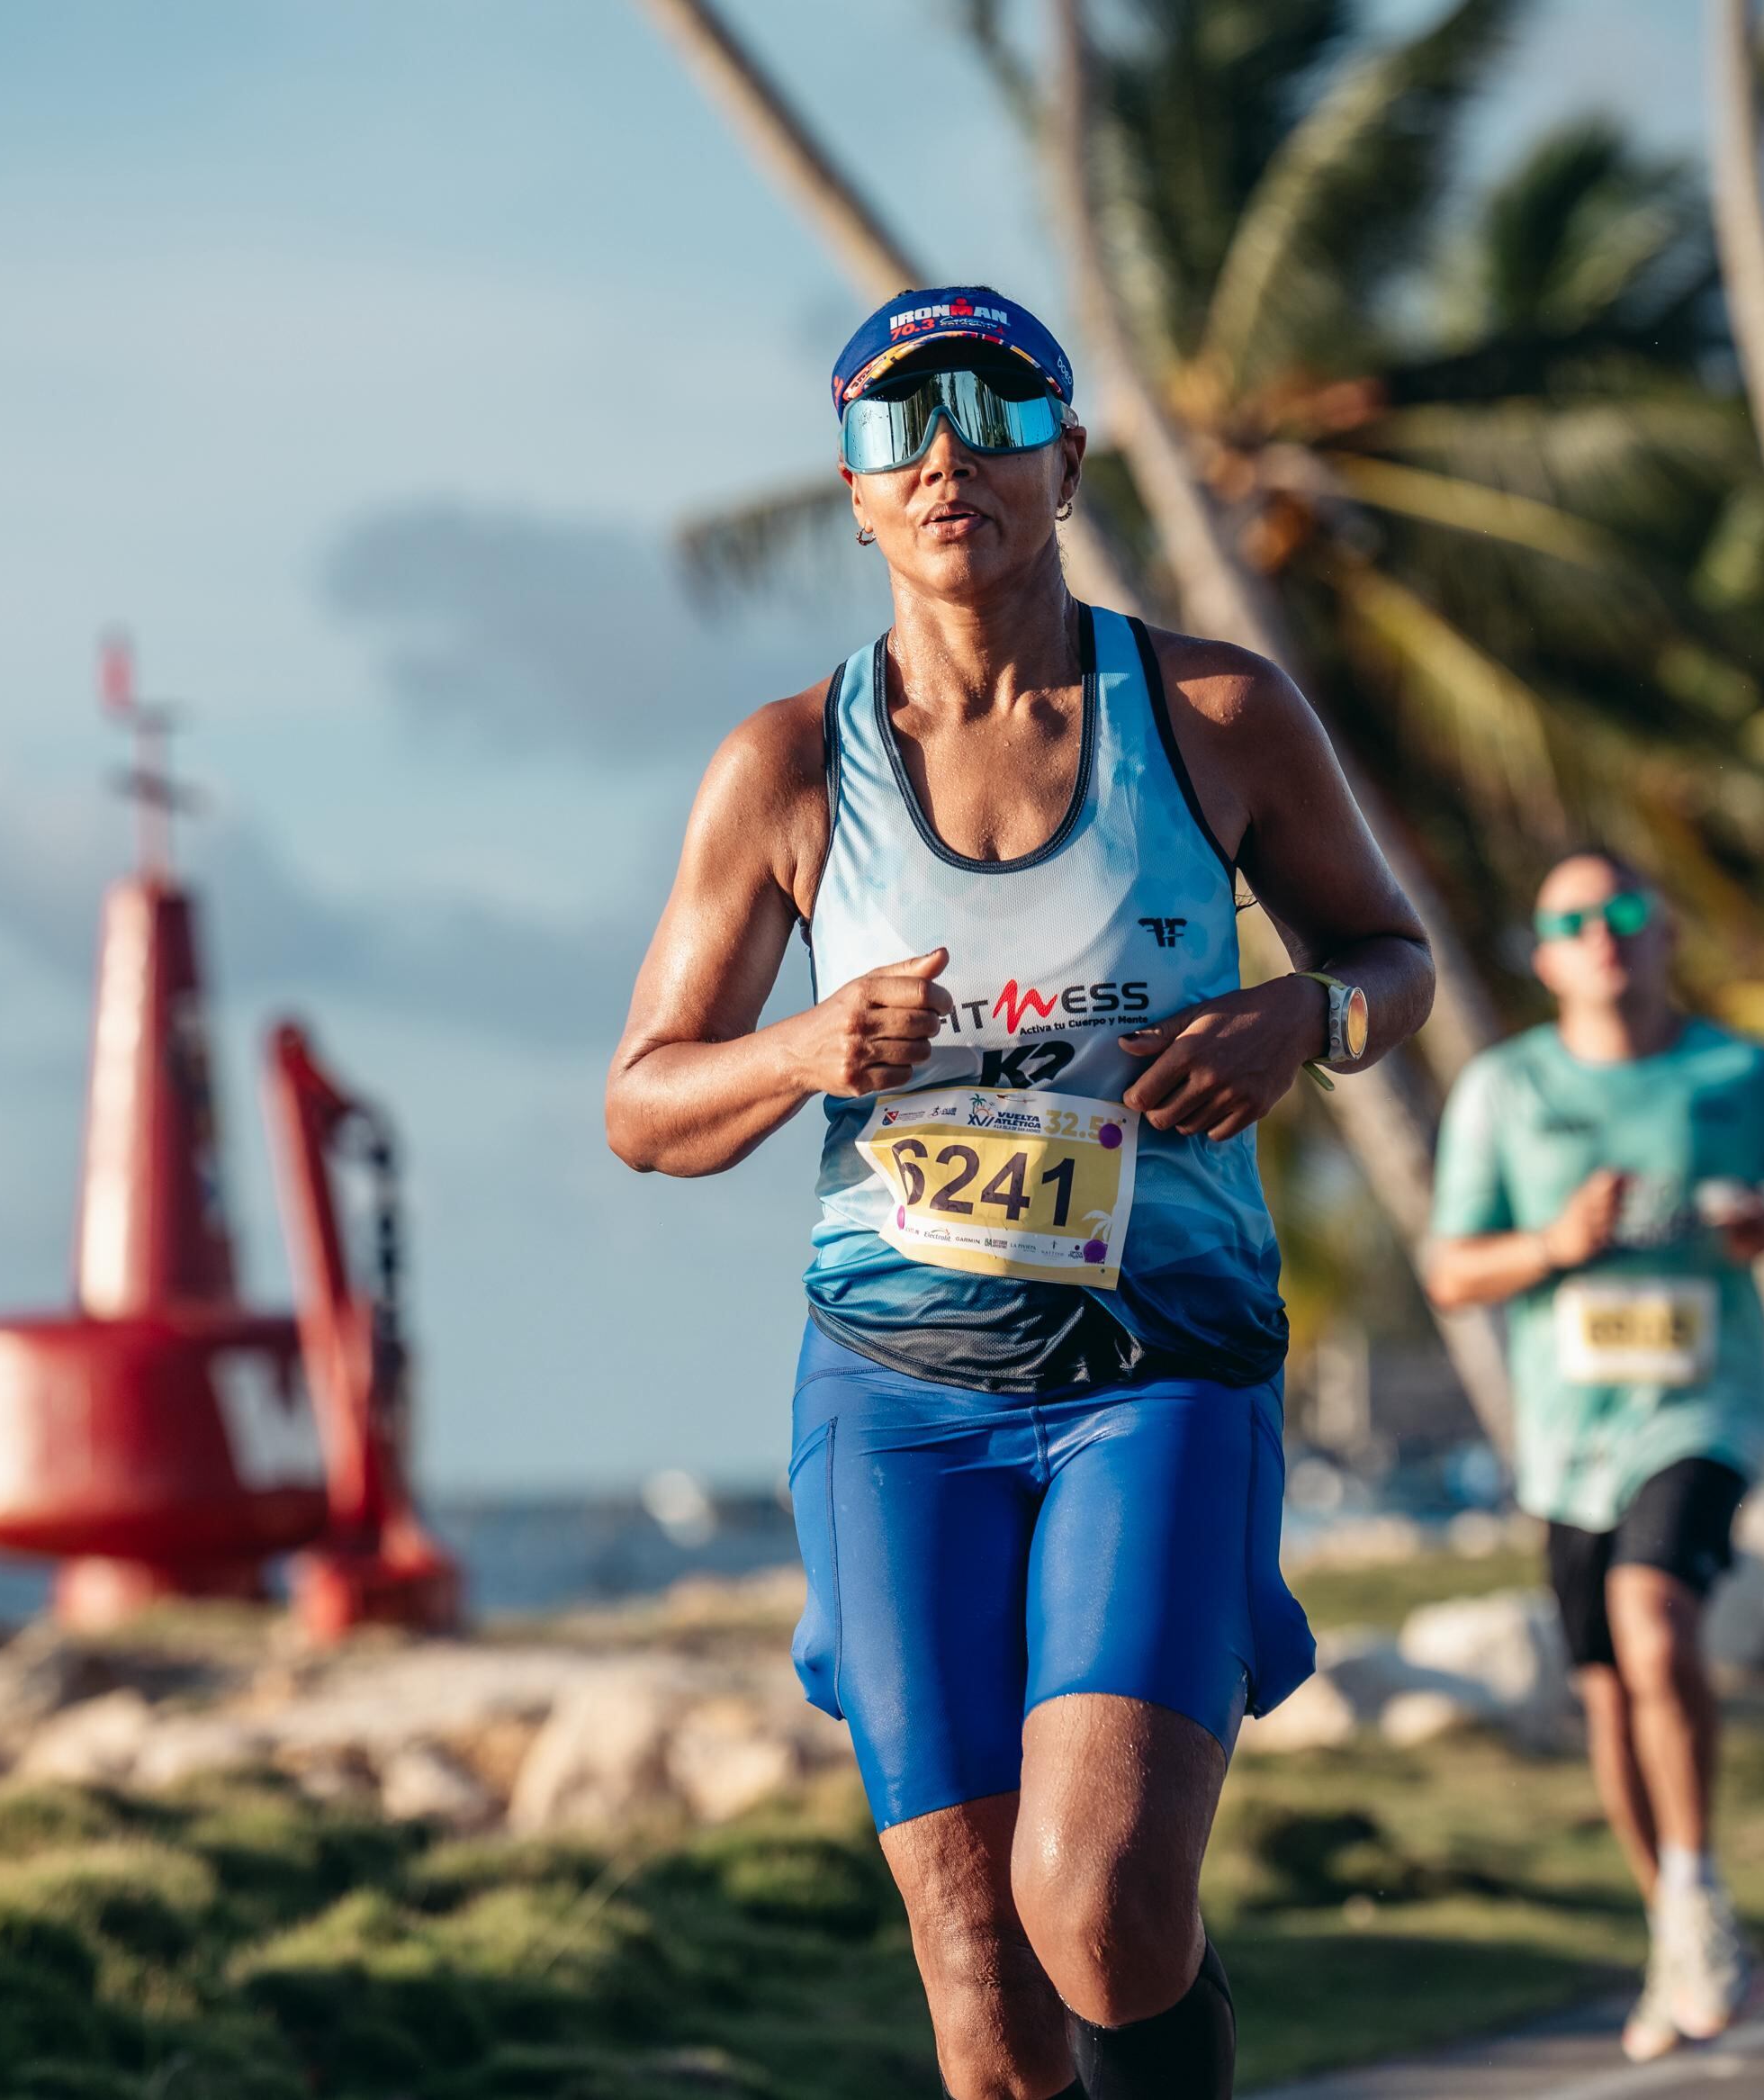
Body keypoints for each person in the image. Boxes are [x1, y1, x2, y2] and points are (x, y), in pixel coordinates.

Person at [605, 285, 1434, 2100]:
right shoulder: (782, 768)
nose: (948, 454)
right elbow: (647, 1104)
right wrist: (804, 1049)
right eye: (898, 425)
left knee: (1104, 1900)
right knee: (982, 2007)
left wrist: (1306, 1012)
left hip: (1160, 1372)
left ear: (1067, 457)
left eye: (994, 409)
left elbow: (1392, 956)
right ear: (851, 490)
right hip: (892, 1405)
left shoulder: (1212, 709)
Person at [1422, 851, 1764, 2061]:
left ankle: (1703, 1887)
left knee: (1656, 1620)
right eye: (1573, 919)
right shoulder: (1508, 1090)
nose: (1603, 935)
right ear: (1546, 955)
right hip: (1569, 1439)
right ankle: (1673, 1920)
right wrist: (1557, 1241)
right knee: (1609, 1689)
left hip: (1707, 1407)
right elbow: (1452, 1270)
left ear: (1662, 931)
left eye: (1622, 911)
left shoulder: (1736, 1071)